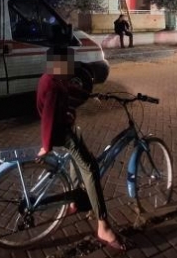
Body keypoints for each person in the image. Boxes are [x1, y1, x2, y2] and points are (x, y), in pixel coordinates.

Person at [36, 47, 125, 250]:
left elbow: (69, 88)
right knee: (91, 169)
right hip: (60, 131)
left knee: (78, 150)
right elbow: (48, 118)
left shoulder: (53, 78)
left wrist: (91, 94)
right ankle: (103, 226)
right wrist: (46, 146)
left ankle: (75, 201)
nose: (71, 68)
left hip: (64, 124)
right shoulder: (53, 86)